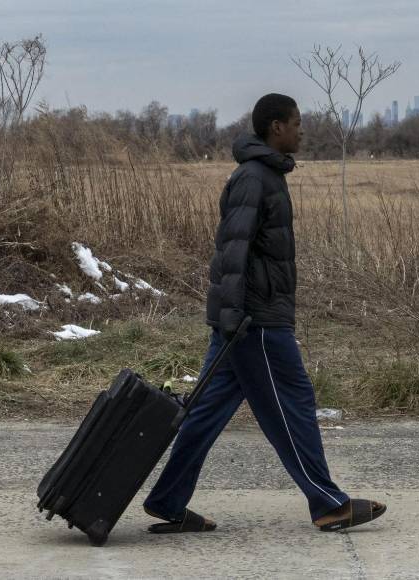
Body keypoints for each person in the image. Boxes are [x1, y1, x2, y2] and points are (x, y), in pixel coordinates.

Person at [142, 93, 386, 533]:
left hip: (242, 319)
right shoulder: (256, 178)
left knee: (204, 412)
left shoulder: (264, 175)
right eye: (296, 123)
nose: (301, 131)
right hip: (254, 321)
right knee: (293, 405)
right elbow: (233, 251)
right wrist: (236, 317)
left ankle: (167, 500)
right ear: (276, 127)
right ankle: (328, 503)